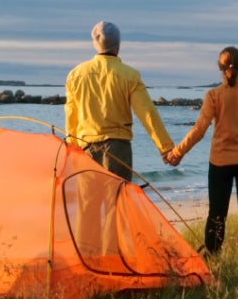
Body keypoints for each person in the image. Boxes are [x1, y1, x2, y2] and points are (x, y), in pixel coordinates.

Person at [166, 46, 238, 261]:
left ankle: (212, 259)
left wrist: (178, 152)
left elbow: (199, 129)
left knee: (216, 215)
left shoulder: (213, 95)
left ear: (220, 68)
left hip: (220, 163)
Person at [64, 20, 175, 181]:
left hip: (85, 147)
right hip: (118, 150)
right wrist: (165, 148)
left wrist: (71, 149)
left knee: (88, 203)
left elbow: (71, 116)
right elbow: (147, 113)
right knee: (117, 201)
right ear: (118, 46)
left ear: (96, 45)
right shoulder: (130, 76)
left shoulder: (75, 75)